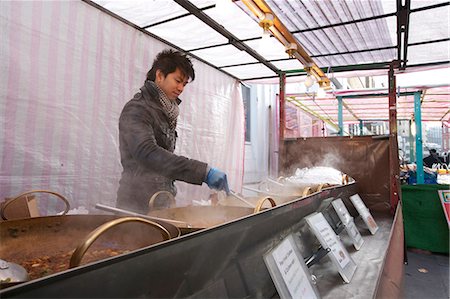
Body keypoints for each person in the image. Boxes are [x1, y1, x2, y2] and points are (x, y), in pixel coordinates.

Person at [116, 49, 230, 213]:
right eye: (177, 80)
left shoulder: (167, 112)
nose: (181, 88)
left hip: (161, 200)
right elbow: (147, 153)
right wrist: (203, 172)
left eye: (184, 84)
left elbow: (165, 162)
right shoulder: (137, 109)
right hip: (137, 203)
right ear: (160, 75)